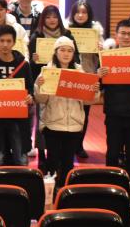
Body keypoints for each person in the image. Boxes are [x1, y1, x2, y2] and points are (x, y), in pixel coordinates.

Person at [36, 37, 98, 195]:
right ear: (55, 52)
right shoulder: (47, 71)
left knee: (68, 162)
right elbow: (41, 100)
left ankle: (65, 193)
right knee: (52, 161)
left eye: (70, 50)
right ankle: (50, 194)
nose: (66, 54)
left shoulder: (80, 72)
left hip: (74, 125)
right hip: (53, 123)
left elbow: (88, 101)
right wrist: (39, 86)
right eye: (62, 50)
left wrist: (94, 90)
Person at [97, 19, 130, 192]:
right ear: (116, 35)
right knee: (112, 152)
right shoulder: (107, 57)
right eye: (123, 33)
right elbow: (99, 86)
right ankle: (111, 187)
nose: (126, 37)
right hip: (114, 112)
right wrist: (99, 75)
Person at [26, 5, 74, 174]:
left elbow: (75, 58)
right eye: (48, 17)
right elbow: (31, 67)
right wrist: (34, 61)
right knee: (43, 119)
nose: (51, 20)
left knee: (62, 119)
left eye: (54, 16)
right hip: (45, 83)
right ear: (43, 19)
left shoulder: (67, 35)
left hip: (65, 84)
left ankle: (60, 157)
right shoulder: (36, 36)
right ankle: (42, 155)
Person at [0, 25, 35, 166]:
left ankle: (23, 181)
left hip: (18, 117)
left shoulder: (23, 65)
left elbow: (30, 87)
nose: (5, 44)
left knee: (21, 158)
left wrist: (30, 96)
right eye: (2, 40)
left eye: (9, 41)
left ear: (14, 42)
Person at [66, 0, 104, 159]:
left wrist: (100, 49)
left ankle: (79, 145)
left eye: (84, 12)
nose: (80, 15)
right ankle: (69, 145)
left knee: (84, 112)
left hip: (88, 75)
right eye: (77, 12)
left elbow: (102, 58)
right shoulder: (66, 29)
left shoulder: (95, 31)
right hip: (70, 75)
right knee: (69, 110)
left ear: (89, 15)